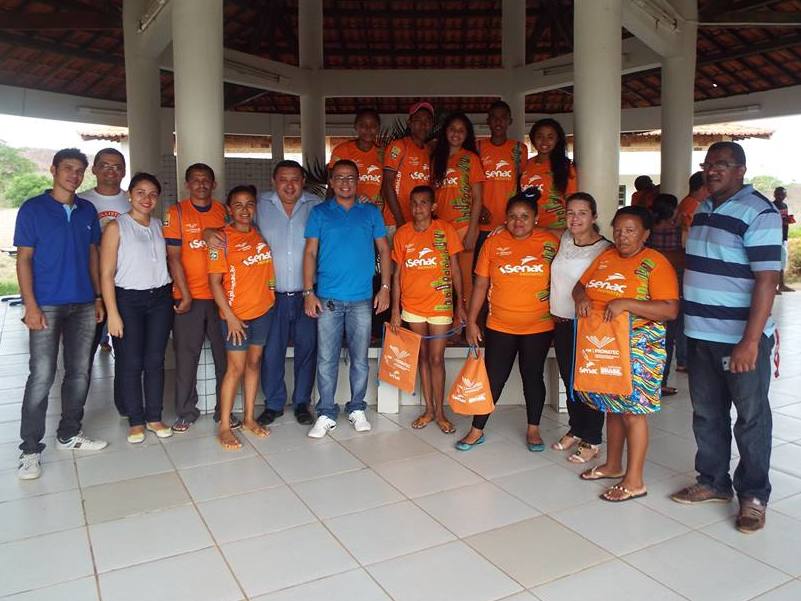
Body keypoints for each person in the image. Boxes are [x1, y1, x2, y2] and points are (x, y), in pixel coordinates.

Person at [671, 142, 782, 533]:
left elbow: (768, 280)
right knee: (706, 413)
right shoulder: (703, 208)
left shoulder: (760, 213)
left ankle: (753, 496)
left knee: (751, 418)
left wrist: (751, 341)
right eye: (708, 164)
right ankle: (713, 482)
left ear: (741, 169)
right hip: (700, 333)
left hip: (740, 338)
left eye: (722, 164)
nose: (712, 170)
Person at [573, 205, 679, 502]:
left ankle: (634, 481)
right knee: (612, 408)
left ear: (645, 233)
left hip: (640, 347)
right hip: (607, 346)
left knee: (633, 413)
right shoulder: (605, 258)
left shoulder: (654, 263)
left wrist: (627, 303)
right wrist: (581, 298)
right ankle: (613, 464)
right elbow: (580, 287)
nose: (622, 236)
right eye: (618, 230)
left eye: (630, 230)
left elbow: (670, 309)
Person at [15, 148, 108, 480]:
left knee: (79, 372)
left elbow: (93, 255)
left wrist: (98, 297)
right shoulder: (33, 209)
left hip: (83, 303)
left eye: (80, 170)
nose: (74, 175)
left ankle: (69, 433)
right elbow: (24, 259)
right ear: (54, 170)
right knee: (41, 376)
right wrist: (31, 305)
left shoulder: (87, 210)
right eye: (68, 168)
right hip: (47, 304)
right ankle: (30, 449)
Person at [459, 188, 559, 452]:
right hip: (500, 325)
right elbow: (480, 285)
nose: (518, 222)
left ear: (536, 218)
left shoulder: (550, 242)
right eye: (513, 216)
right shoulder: (493, 243)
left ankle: (533, 429)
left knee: (532, 376)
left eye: (525, 216)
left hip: (539, 325)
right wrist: (471, 321)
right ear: (505, 218)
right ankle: (476, 429)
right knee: (494, 378)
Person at [303, 160, 391, 438]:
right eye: (339, 178)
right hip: (327, 298)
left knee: (360, 359)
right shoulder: (319, 213)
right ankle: (326, 412)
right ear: (331, 180)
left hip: (362, 299)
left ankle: (356, 409)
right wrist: (308, 292)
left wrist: (385, 287)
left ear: (358, 180)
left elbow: (385, 252)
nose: (345, 182)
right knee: (326, 358)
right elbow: (309, 254)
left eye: (350, 178)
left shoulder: (370, 213)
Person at [99, 173, 174, 444]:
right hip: (127, 301)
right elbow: (106, 273)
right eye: (140, 192)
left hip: (160, 299)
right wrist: (112, 313)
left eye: (153, 194)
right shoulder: (115, 227)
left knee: (155, 361)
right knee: (130, 362)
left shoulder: (158, 225)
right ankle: (135, 420)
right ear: (129, 194)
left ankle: (154, 416)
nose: (147, 198)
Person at [164, 164, 238, 433]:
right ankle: (185, 411)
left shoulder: (224, 212)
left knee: (224, 358)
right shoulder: (176, 213)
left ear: (214, 184)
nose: (201, 184)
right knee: (186, 357)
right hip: (189, 298)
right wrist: (183, 294)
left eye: (206, 180)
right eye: (195, 180)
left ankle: (224, 411)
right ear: (187, 184)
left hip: (220, 299)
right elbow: (173, 258)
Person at [390, 185, 466, 433]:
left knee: (436, 358)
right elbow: (397, 274)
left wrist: (460, 305)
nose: (417, 208)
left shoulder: (445, 230)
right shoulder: (402, 234)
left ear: (433, 207)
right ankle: (429, 410)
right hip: (412, 306)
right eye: (413, 203)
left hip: (440, 305)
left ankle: (441, 413)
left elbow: (455, 270)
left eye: (423, 203)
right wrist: (394, 311)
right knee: (422, 357)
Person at [208, 186, 275, 449]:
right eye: (238, 205)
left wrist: (270, 297)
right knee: (234, 369)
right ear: (228, 208)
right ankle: (224, 426)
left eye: (249, 204)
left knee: (254, 365)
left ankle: (248, 418)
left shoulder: (260, 237)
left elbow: (266, 271)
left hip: (262, 313)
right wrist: (230, 317)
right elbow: (214, 283)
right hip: (236, 317)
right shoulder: (220, 241)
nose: (244, 210)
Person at [549, 193, 611, 463]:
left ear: (594, 216)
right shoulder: (564, 238)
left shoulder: (604, 249)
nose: (575, 218)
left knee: (588, 381)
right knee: (569, 379)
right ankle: (576, 428)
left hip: (586, 325)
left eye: (582, 213)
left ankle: (593, 437)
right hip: (561, 320)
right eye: (570, 213)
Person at [431, 112, 485, 302]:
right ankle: (444, 316)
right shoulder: (436, 158)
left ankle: (466, 323)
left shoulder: (471, 158)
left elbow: (478, 198)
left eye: (461, 130)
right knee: (441, 275)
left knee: (463, 276)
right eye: (452, 129)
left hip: (463, 226)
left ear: (467, 134)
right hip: (440, 226)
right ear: (445, 131)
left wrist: (472, 231)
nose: (456, 134)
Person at [82, 148, 130, 359]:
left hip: (124, 283)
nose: (111, 171)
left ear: (124, 172)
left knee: (127, 350)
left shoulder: (133, 200)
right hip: (89, 285)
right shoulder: (81, 201)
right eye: (105, 165)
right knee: (84, 352)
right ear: (94, 169)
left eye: (117, 167)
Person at [478, 101, 528, 260]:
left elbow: (522, 184)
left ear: (510, 121)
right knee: (482, 265)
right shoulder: (478, 147)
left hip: (511, 221)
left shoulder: (519, 149)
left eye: (503, 117)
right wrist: (478, 207)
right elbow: (470, 183)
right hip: (484, 221)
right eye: (494, 117)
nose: (498, 121)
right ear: (488, 121)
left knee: (507, 264)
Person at [647, 193, 684, 397]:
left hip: (648, 289)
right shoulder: (678, 231)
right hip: (672, 288)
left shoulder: (647, 231)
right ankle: (661, 382)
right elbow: (683, 257)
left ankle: (649, 379)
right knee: (668, 338)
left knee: (651, 335)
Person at [382, 101, 434, 236]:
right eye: (418, 120)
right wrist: (400, 220)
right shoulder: (399, 146)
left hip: (420, 221)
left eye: (427, 121)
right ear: (409, 123)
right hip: (395, 221)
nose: (423, 125)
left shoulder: (429, 151)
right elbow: (387, 183)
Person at [674, 171, 706, 372]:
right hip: (686, 264)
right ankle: (685, 358)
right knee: (685, 314)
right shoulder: (692, 206)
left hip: (686, 265)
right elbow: (688, 239)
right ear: (701, 187)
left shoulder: (688, 203)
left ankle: (685, 357)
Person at [520, 118, 577, 230]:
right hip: (530, 227)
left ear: (557, 140)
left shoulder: (565, 166)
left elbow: (572, 201)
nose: (544, 141)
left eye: (550, 137)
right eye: (540, 136)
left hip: (557, 229)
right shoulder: (527, 164)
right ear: (533, 138)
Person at [328, 108, 384, 208]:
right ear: (355, 127)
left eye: (373, 126)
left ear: (378, 128)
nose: (368, 129)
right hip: (347, 209)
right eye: (363, 125)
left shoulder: (383, 153)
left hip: (376, 211)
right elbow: (332, 181)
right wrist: (329, 209)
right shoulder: (342, 151)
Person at [773, 186, 795, 293]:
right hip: (775, 237)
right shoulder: (773, 205)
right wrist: (782, 221)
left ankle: (781, 285)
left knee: (782, 262)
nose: (781, 196)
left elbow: (784, 219)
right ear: (774, 194)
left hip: (783, 236)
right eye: (778, 194)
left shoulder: (784, 205)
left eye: (783, 194)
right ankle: (774, 287)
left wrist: (788, 220)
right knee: (775, 262)